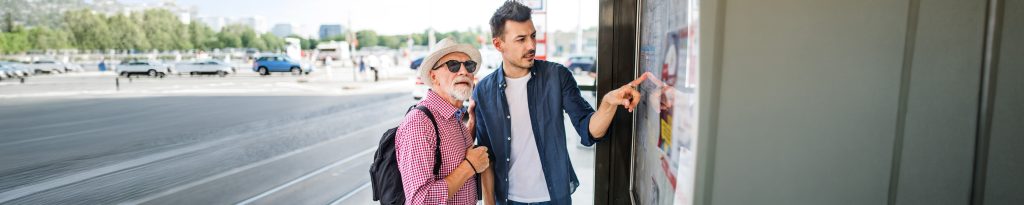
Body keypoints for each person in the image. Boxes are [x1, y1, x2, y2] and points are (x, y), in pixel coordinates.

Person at [471, 1, 650, 204]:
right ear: (498, 44)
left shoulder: (557, 76)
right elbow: (486, 157)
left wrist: (608, 103)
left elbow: (589, 130)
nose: (531, 46)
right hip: (507, 199)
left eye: (532, 36)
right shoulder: (483, 91)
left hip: (554, 197)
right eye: (520, 39)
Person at [396, 37, 492, 205]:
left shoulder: (455, 118)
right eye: (453, 65)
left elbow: (451, 156)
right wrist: (470, 165)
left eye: (469, 65)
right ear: (434, 77)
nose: (463, 71)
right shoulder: (419, 123)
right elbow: (421, 200)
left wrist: (472, 125)